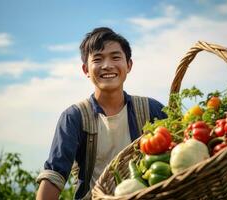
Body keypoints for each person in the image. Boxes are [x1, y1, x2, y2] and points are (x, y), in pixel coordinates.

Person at [36, 27, 167, 200]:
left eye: (115, 57)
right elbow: (55, 174)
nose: (107, 66)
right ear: (86, 70)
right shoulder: (75, 117)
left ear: (129, 65)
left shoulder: (151, 109)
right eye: (98, 59)